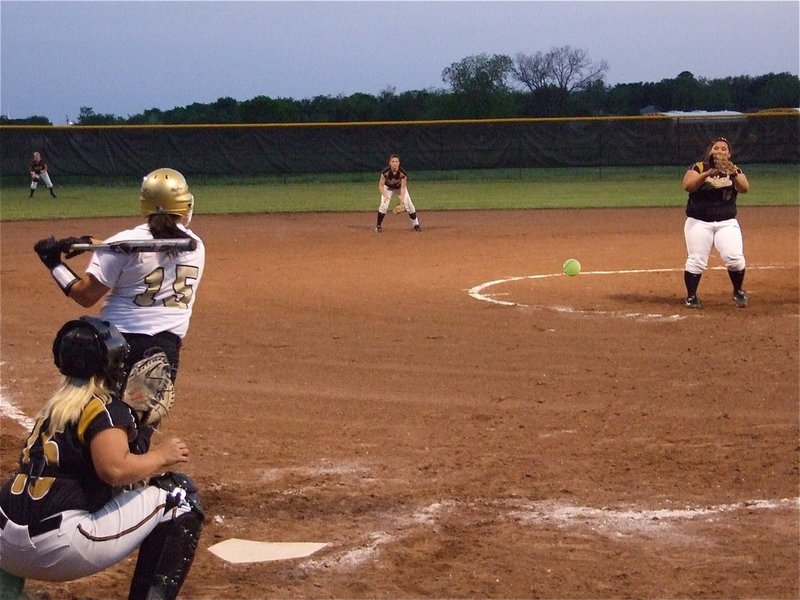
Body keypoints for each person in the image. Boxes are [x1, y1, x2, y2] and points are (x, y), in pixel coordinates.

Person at [0, 316, 204, 600]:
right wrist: (161, 455)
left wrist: (136, 426)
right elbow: (115, 470)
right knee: (179, 496)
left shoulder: (51, 411)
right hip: (58, 548)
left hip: (4, 548)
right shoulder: (104, 408)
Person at [33, 168, 205, 380]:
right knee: (150, 403)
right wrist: (91, 243)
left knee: (102, 396)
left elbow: (86, 296)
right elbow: (141, 254)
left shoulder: (124, 242)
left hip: (117, 345)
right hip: (166, 350)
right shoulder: (195, 246)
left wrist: (54, 265)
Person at [681, 137, 750, 308]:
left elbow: (744, 188)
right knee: (696, 260)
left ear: (729, 154)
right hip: (698, 221)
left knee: (734, 258)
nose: (719, 151)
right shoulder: (699, 167)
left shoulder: (734, 169)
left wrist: (733, 174)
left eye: (723, 149)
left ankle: (738, 291)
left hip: (726, 222)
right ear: (710, 152)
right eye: (716, 148)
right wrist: (707, 174)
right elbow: (688, 185)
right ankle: (691, 297)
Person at [375, 154, 421, 233]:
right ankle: (378, 226)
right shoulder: (385, 172)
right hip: (388, 188)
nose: (395, 163)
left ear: (399, 163)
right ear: (390, 163)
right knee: (384, 205)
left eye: (396, 161)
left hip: (399, 188)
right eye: (393, 161)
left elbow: (403, 188)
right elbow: (381, 186)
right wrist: (385, 196)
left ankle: (416, 224)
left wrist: (402, 200)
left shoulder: (402, 173)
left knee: (409, 205)